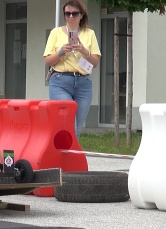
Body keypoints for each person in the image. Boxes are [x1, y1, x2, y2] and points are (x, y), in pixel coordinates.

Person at [43, 0, 101, 138]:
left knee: (77, 127)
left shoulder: (89, 33)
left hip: (83, 83)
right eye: (67, 14)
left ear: (81, 15)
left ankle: (69, 156)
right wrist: (61, 51)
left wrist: (84, 50)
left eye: (74, 14)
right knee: (69, 123)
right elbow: (48, 61)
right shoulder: (56, 33)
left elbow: (95, 62)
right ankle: (64, 155)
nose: (70, 17)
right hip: (60, 81)